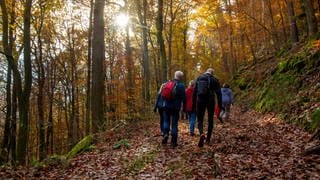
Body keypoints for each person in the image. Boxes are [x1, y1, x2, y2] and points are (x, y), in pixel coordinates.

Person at [192, 68, 223, 147]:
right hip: (210, 101)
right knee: (210, 119)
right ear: (212, 73)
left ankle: (201, 133)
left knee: (200, 119)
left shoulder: (199, 78)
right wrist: (220, 105)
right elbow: (219, 94)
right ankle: (208, 139)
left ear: (206, 72)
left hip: (200, 100)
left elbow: (194, 91)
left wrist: (193, 103)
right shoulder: (215, 80)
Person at [162, 71, 186, 148]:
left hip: (166, 106)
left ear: (175, 75)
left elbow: (162, 95)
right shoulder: (181, 86)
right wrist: (184, 108)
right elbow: (184, 98)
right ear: (181, 77)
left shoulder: (167, 83)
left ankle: (165, 134)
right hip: (175, 107)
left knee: (166, 121)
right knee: (174, 124)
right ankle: (173, 142)